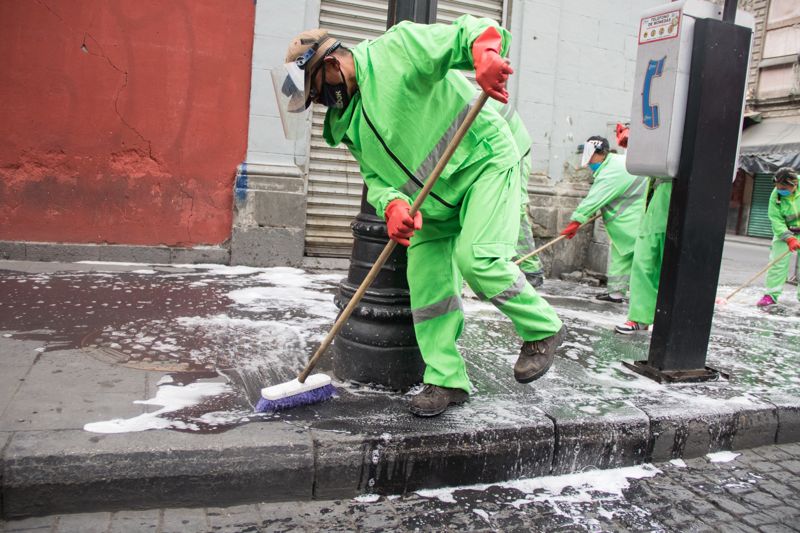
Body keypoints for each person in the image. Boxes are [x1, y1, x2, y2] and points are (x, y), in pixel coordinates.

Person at [274, 16, 564, 417]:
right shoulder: (347, 124)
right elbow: (375, 178)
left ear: (330, 65)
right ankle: (446, 379)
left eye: (319, 93)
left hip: (483, 163)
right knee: (427, 290)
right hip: (428, 205)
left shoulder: (397, 50)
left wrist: (484, 55)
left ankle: (541, 328)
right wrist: (392, 205)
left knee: (478, 258)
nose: (322, 103)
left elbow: (469, 32)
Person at [559, 135, 647, 303]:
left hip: (634, 221)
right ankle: (615, 293)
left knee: (641, 263)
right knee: (621, 255)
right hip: (627, 221)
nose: (589, 161)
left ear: (602, 154)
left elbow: (594, 198)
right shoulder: (615, 164)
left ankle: (643, 302)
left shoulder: (612, 170)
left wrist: (576, 221)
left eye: (592, 156)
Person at [613, 123, 672, 334]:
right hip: (655, 204)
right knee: (644, 262)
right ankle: (639, 317)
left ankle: (668, 320)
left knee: (670, 269)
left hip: (679, 199)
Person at [756, 167, 800, 307]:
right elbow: (775, 219)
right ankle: (771, 296)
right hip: (785, 232)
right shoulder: (776, 196)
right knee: (777, 264)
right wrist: (789, 238)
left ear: (794, 184)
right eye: (778, 187)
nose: (780, 190)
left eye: (784, 187)